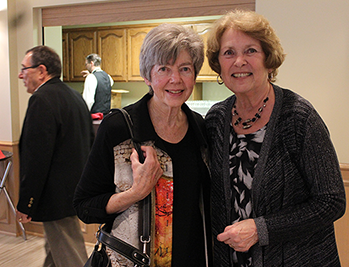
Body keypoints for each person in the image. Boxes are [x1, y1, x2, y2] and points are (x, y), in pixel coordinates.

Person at [205, 10, 346, 267]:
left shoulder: (298, 117)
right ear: (219, 65)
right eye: (229, 53)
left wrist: (262, 229)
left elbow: (332, 201)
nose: (239, 61)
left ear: (269, 61)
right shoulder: (216, 120)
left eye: (250, 51)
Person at [74, 23, 212, 267]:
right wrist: (136, 193)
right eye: (164, 69)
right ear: (148, 76)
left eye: (185, 68)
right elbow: (85, 207)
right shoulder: (119, 129)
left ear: (194, 74)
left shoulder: (200, 129)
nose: (175, 79)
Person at [16, 45, 94, 267]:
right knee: (54, 249)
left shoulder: (42, 99)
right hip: (74, 192)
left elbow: (36, 158)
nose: (21, 75)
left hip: (55, 197)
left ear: (41, 70)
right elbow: (89, 144)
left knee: (70, 254)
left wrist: (27, 202)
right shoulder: (74, 96)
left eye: (24, 69)